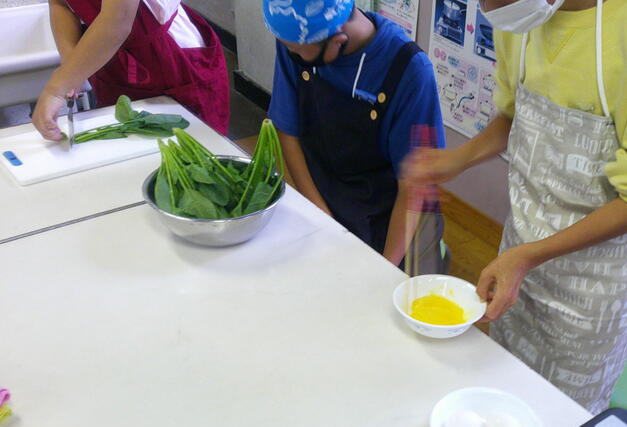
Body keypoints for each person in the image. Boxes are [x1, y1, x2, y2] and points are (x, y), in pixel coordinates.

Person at [405, 0, 627, 414]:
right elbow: (516, 114)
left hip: (593, 288)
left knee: (560, 419)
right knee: (503, 394)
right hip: (518, 254)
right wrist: (457, 159)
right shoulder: (521, 15)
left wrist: (529, 256)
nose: (489, 8)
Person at [263, 0, 446, 273]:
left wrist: (382, 270)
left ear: (338, 41)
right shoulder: (296, 42)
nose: (291, 54)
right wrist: (323, 220)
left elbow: (414, 186)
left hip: (395, 221)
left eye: (298, 52)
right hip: (324, 198)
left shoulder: (409, 71)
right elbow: (288, 132)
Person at [33, 0, 230, 139]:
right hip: (111, 59)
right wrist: (72, 67)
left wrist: (56, 89)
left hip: (171, 59)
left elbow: (118, 20)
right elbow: (60, 4)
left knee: (194, 155)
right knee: (130, 152)